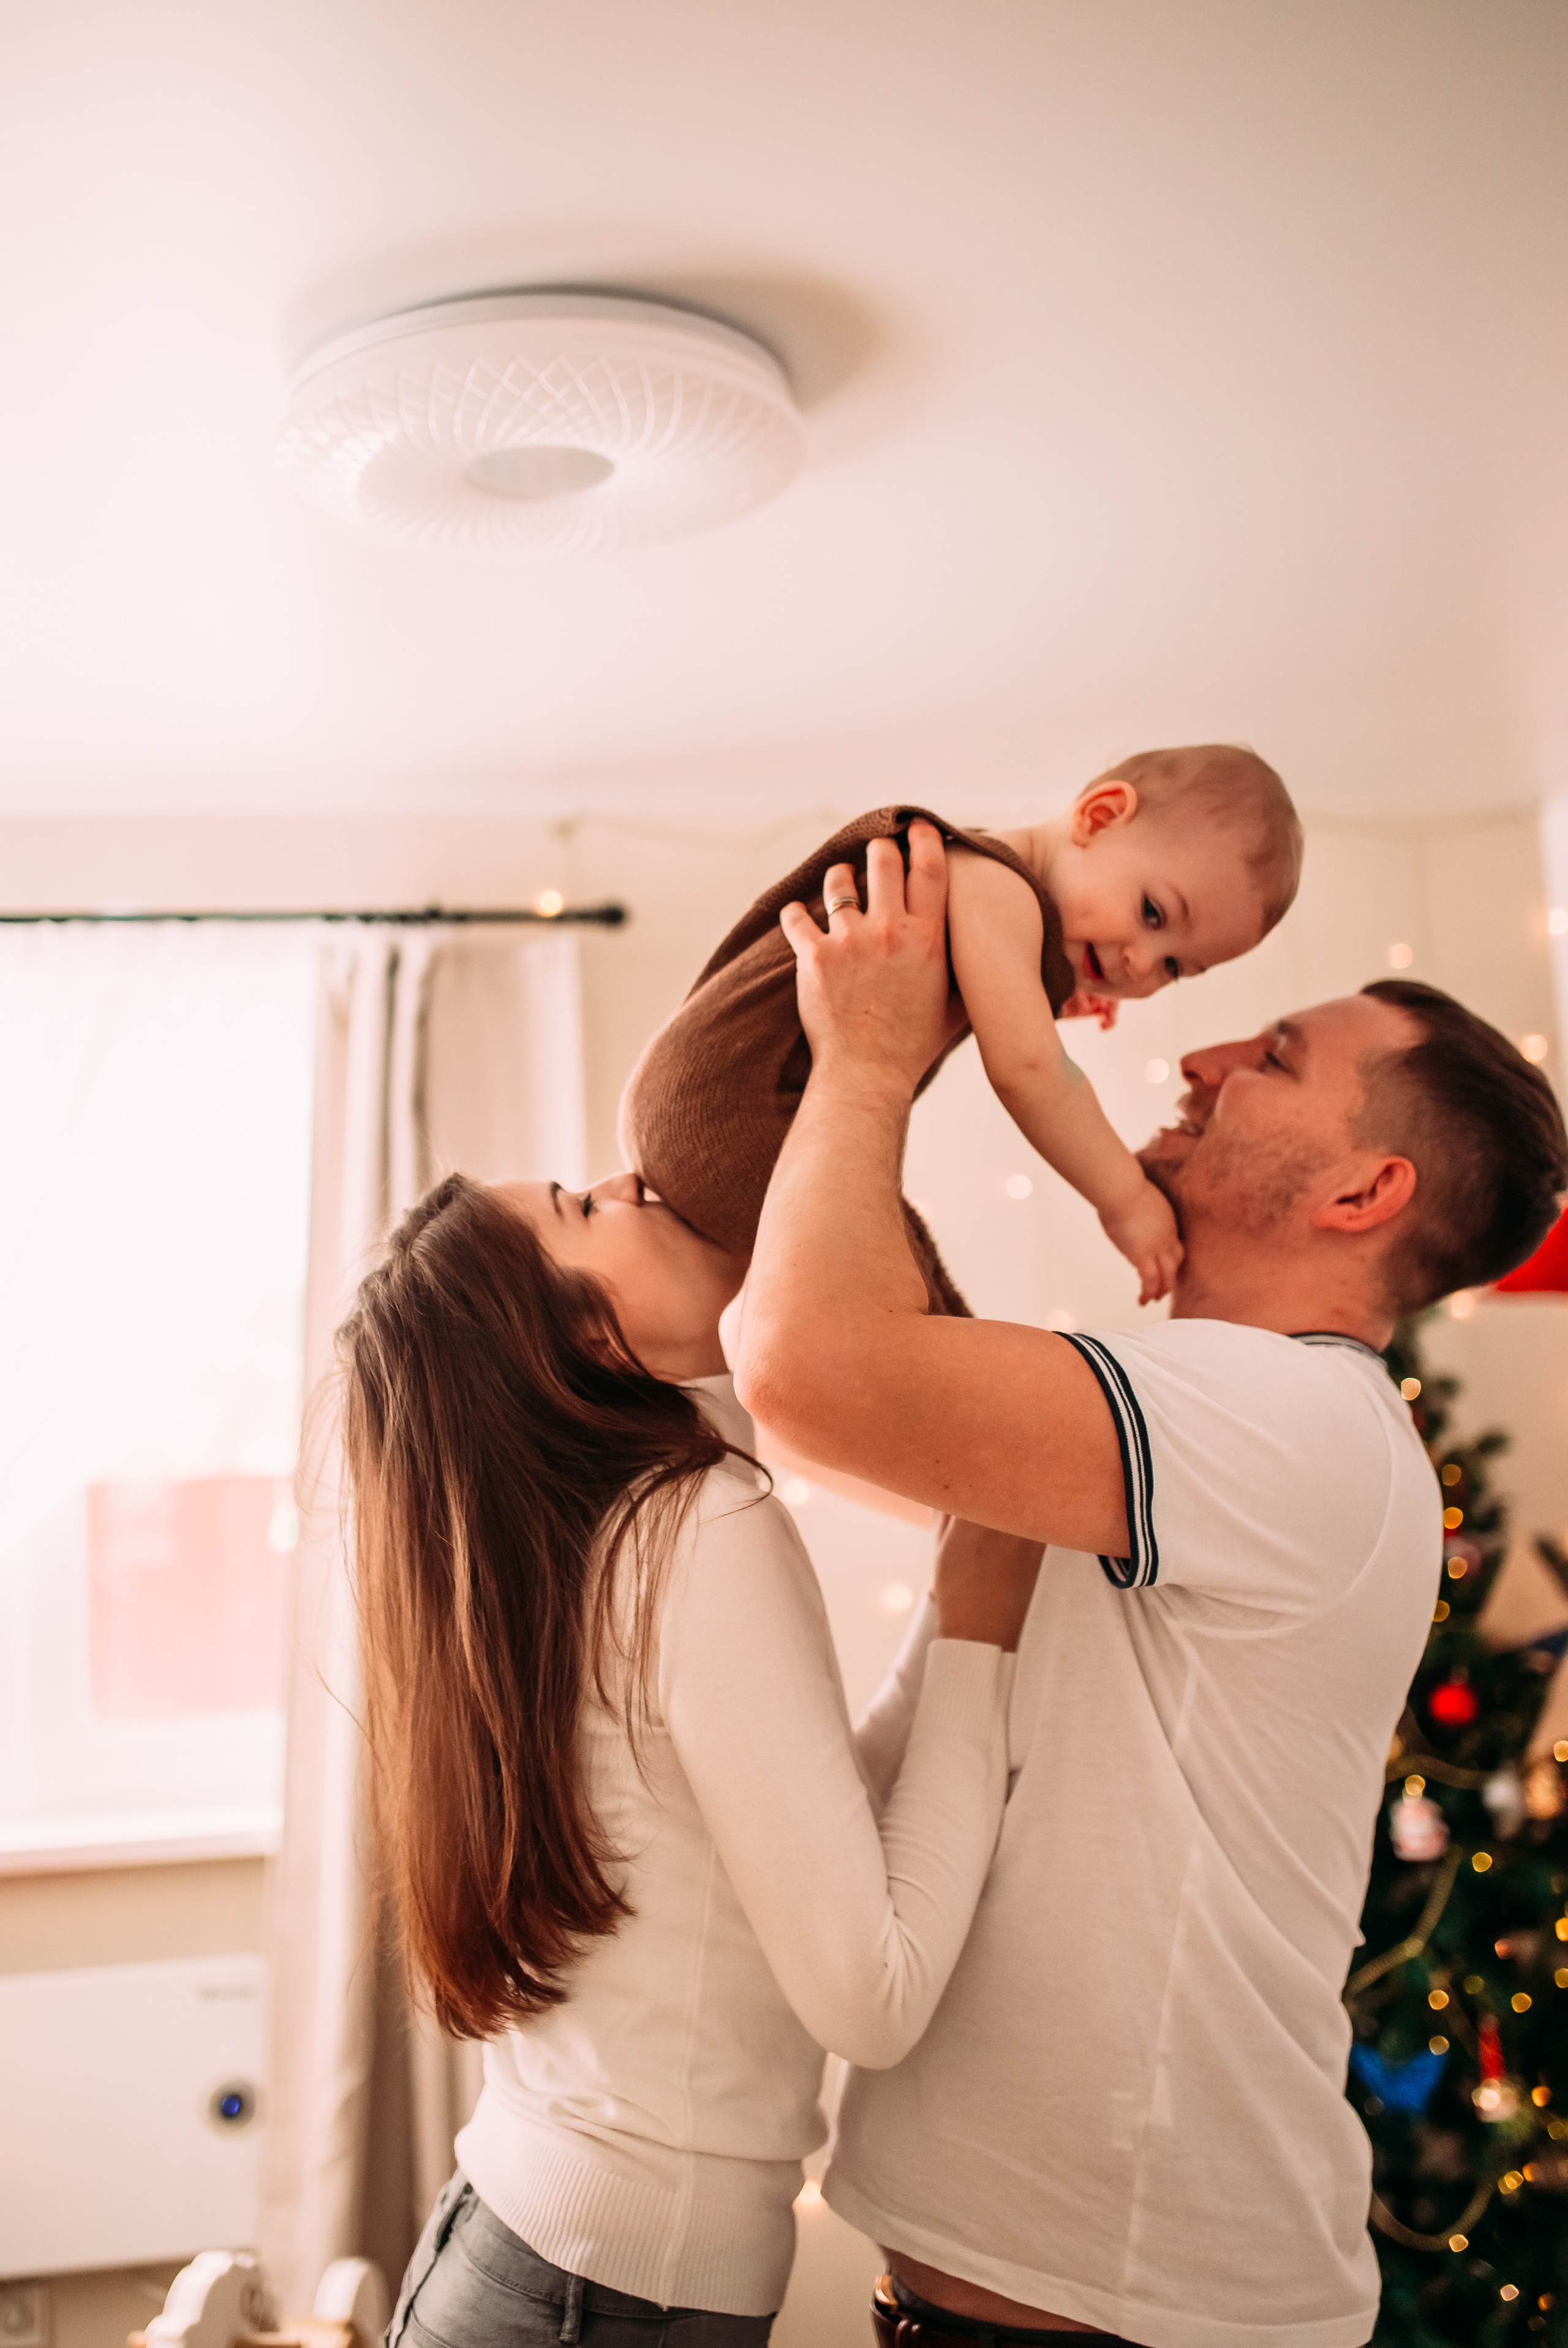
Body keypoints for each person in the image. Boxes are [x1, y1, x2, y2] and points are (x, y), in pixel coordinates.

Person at [734, 823, 1568, 2348]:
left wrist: (859, 1060)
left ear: (1361, 1189)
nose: (1200, 1051)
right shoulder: (1197, 1406)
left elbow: (802, 1369)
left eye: (1275, 1055)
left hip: (1117, 2314)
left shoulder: (1293, 1416)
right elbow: (842, 1405)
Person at [338, 1167, 1035, 2348]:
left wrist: (962, 1595)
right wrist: (979, 1633)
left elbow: (797, 1834)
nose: (629, 1178)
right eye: (581, 1204)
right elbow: (874, 1995)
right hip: (604, 2298)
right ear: (585, 1337)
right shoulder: (693, 1520)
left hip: (523, 2249)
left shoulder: (594, 1540)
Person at [620, 745, 1302, 1313]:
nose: (1139, 962)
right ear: (1098, 815)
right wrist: (1124, 1196)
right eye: (1153, 914)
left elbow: (951, 986)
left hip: (696, 1110)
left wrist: (1050, 993)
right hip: (731, 1116)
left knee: (886, 1300)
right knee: (914, 1311)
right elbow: (1033, 1071)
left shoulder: (982, 884)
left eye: (1176, 967)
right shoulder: (991, 880)